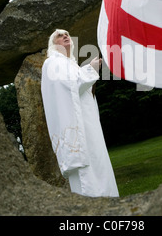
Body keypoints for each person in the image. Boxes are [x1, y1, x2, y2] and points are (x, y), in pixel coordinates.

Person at [40, 29, 119, 197]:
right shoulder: (53, 62)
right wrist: (90, 69)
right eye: (59, 36)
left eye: (67, 34)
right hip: (77, 131)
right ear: (53, 45)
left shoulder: (69, 63)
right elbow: (71, 86)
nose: (65, 36)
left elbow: (78, 86)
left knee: (99, 165)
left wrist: (88, 70)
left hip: (88, 125)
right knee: (88, 177)